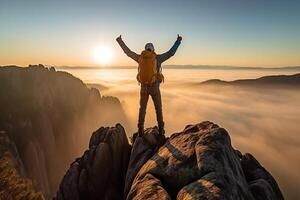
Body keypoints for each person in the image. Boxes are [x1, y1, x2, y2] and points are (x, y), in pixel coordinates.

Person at [116, 34, 182, 136]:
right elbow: (171, 53)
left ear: (145, 49)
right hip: (154, 87)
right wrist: (178, 41)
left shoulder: (139, 58)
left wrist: (119, 41)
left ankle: (140, 131)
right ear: (153, 49)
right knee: (158, 109)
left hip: (143, 87)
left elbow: (128, 52)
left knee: (142, 109)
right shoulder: (157, 58)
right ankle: (161, 131)